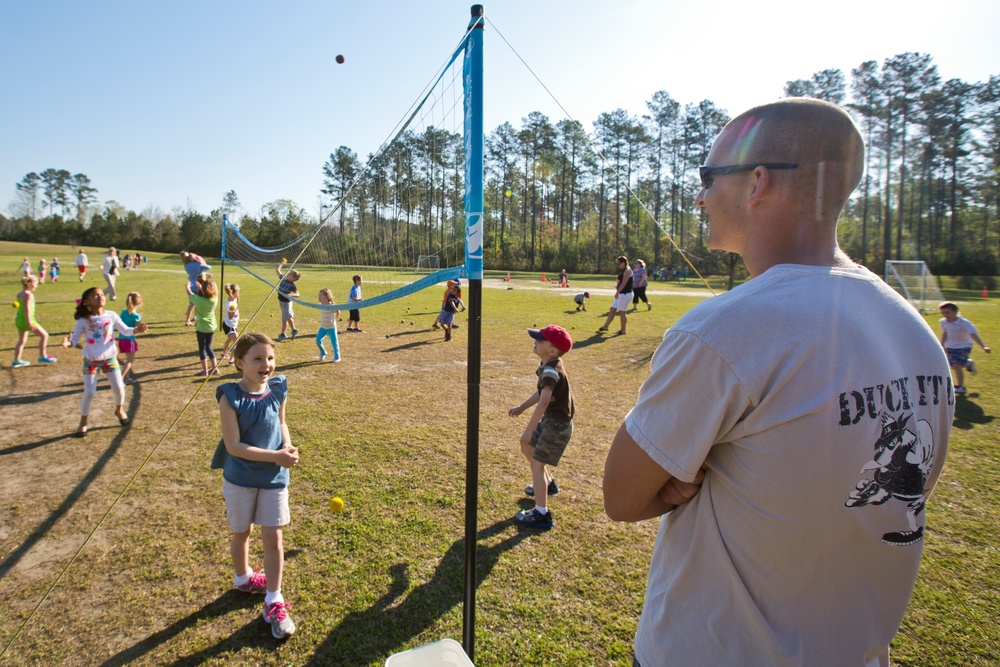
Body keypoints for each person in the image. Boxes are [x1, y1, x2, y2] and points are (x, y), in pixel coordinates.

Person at [602, 98, 953, 667]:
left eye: (707, 176)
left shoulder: (721, 330)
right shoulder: (916, 333)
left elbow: (621, 496)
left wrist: (680, 479)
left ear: (757, 182)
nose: (699, 196)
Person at [211, 332, 298, 640]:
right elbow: (233, 446)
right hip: (240, 479)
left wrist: (286, 446)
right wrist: (275, 455)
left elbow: (282, 422)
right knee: (242, 531)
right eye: (258, 359)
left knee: (273, 537)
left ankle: (273, 598)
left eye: (270, 358)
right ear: (239, 363)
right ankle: (244, 577)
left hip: (274, 478)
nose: (266, 365)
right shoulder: (230, 397)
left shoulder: (278, 389)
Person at [508, 325, 575, 529]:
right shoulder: (549, 364)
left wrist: (529, 429)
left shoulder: (551, 370)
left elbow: (544, 400)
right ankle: (548, 484)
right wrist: (522, 407)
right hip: (550, 421)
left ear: (553, 350)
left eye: (540, 340)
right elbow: (541, 393)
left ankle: (541, 513)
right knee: (527, 448)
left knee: (537, 464)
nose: (535, 340)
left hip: (557, 425)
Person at [62, 287, 148, 436]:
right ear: (87, 301)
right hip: (91, 361)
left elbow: (126, 330)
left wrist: (136, 330)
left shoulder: (111, 315)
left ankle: (119, 409)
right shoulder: (84, 320)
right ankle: (83, 422)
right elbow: (74, 340)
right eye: (95, 295)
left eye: (102, 294)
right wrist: (68, 343)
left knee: (119, 388)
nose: (100, 297)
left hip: (110, 359)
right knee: (89, 392)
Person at [938, 301, 991, 395]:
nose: (945, 315)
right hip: (951, 346)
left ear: (955, 311)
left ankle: (960, 387)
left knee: (957, 365)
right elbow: (945, 333)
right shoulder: (943, 322)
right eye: (943, 313)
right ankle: (968, 363)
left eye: (947, 313)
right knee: (952, 365)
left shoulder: (964, 323)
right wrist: (942, 344)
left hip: (964, 346)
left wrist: (983, 346)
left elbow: (973, 334)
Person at [12, 275, 57, 368]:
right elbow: (27, 308)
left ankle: (17, 360)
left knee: (22, 340)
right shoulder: (29, 295)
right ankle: (42, 356)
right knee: (45, 335)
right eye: (35, 284)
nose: (36, 286)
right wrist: (29, 321)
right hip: (28, 320)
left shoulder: (19, 294)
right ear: (29, 284)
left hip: (19, 320)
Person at [186, 274, 219, 376]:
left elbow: (190, 294)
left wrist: (187, 286)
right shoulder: (215, 299)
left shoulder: (198, 300)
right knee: (209, 347)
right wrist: (201, 287)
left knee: (202, 349)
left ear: (203, 291)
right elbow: (207, 294)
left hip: (201, 328)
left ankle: (205, 371)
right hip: (211, 326)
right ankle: (215, 368)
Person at [597, 256, 632, 335]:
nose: (618, 265)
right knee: (612, 309)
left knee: (622, 312)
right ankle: (605, 326)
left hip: (625, 294)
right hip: (621, 294)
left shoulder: (627, 271)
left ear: (623, 263)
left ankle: (623, 330)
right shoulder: (624, 270)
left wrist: (618, 292)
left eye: (619, 263)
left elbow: (624, 283)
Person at [117, 292, 143, 384]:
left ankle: (126, 377)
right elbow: (137, 330)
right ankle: (122, 378)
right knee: (130, 360)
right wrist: (140, 321)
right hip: (129, 340)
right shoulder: (136, 316)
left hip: (121, 338)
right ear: (139, 303)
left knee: (128, 359)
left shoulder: (123, 312)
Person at [181, 251, 211, 326]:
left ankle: (193, 317)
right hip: (199, 284)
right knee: (198, 302)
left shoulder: (186, 266)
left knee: (192, 303)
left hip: (191, 285)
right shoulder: (197, 263)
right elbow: (207, 268)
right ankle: (189, 320)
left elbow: (193, 274)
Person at [273, 262, 301, 342]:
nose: (289, 274)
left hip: (287, 303)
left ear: (293, 278)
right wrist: (282, 263)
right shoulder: (283, 278)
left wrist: (291, 295)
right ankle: (294, 330)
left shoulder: (292, 285)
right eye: (290, 273)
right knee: (288, 317)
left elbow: (298, 294)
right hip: (281, 301)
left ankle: (283, 334)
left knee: (284, 319)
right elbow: (277, 270)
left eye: (291, 274)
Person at [316, 288, 341, 362]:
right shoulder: (320, 305)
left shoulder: (331, 305)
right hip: (323, 327)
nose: (320, 297)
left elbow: (338, 311)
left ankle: (337, 357)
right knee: (318, 340)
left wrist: (335, 320)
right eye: (319, 295)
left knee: (334, 343)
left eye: (321, 295)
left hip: (331, 327)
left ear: (327, 296)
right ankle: (323, 352)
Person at [219, 283, 241, 366]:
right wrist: (234, 311)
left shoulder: (232, 299)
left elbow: (237, 300)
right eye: (238, 292)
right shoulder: (230, 304)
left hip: (229, 324)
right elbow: (231, 317)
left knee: (229, 339)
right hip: (230, 326)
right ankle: (231, 360)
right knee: (236, 343)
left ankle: (224, 353)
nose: (239, 294)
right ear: (234, 293)